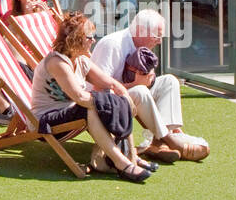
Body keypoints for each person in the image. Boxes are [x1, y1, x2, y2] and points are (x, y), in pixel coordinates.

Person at [31, 12, 154, 182]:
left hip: (69, 114)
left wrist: (125, 99)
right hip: (46, 122)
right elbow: (80, 97)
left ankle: (130, 157)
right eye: (89, 37)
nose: (93, 41)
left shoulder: (81, 60)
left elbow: (112, 84)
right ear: (75, 39)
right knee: (91, 107)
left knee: (113, 100)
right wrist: (112, 103)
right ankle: (122, 164)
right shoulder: (57, 63)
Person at [91, 9, 209, 162]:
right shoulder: (113, 45)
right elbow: (98, 88)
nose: (159, 41)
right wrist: (135, 84)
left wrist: (148, 80)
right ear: (140, 31)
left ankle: (158, 143)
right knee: (140, 90)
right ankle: (169, 140)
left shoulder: (141, 48)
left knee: (169, 81)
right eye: (156, 36)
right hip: (105, 102)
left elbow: (145, 82)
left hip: (127, 96)